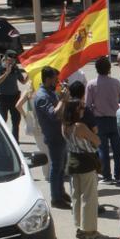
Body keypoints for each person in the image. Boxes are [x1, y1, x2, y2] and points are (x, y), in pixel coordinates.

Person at [63, 99, 102, 239]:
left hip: (73, 162)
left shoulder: (64, 126)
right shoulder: (80, 126)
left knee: (77, 195)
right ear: (75, 110)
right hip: (86, 163)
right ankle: (90, 231)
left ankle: (79, 226)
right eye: (80, 108)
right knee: (89, 197)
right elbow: (97, 141)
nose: (82, 111)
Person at [33, 67, 70, 209]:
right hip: (54, 136)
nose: (57, 81)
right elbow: (54, 114)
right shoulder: (42, 96)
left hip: (60, 135)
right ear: (48, 79)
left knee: (61, 167)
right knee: (56, 167)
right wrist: (62, 100)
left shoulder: (50, 92)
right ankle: (56, 198)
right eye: (55, 79)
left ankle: (60, 192)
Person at [87, 57, 120, 184]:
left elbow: (87, 105)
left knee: (102, 149)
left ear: (96, 69)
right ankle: (119, 175)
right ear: (109, 68)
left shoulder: (91, 84)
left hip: (99, 120)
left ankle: (106, 175)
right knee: (117, 149)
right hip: (114, 118)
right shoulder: (115, 83)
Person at [0, 51, 26, 141]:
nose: (12, 61)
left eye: (14, 59)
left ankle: (16, 142)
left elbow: (23, 82)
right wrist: (6, 73)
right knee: (3, 121)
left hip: (14, 98)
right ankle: (2, 141)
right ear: (5, 58)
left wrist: (30, 74)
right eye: (10, 59)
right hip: (3, 98)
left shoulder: (15, 68)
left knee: (16, 122)